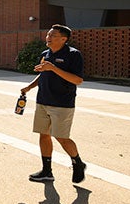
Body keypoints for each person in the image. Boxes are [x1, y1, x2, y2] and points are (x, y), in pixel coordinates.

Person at [21, 24, 87, 184]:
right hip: (43, 101)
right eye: (48, 34)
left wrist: (53, 68)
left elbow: (78, 80)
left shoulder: (73, 55)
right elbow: (44, 74)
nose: (48, 37)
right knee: (43, 135)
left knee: (61, 137)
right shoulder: (46, 53)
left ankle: (77, 162)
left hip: (62, 103)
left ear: (64, 39)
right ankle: (47, 171)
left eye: (53, 35)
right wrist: (29, 87)